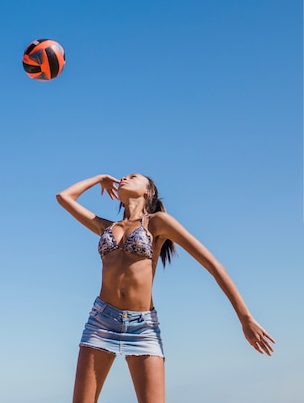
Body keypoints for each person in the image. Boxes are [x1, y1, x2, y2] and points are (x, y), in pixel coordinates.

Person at [56, 173, 275, 403]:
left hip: (142, 328)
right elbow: (63, 197)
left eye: (133, 177)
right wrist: (99, 178)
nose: (123, 178)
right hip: (101, 323)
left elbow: (212, 264)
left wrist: (245, 317)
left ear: (148, 191)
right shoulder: (106, 226)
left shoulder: (157, 222)